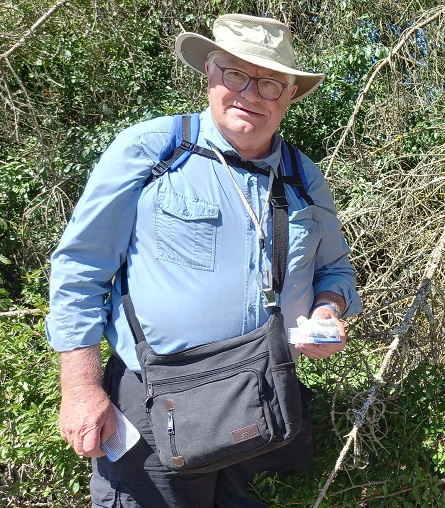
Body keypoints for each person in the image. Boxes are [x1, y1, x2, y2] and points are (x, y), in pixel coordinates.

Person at [45, 14, 361, 506]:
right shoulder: (152, 151)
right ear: (210, 74)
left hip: (263, 402)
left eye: (271, 83)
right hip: (154, 407)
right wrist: (81, 386)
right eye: (236, 74)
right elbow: (81, 269)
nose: (251, 94)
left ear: (290, 97)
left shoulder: (304, 176)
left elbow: (336, 271)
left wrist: (326, 310)